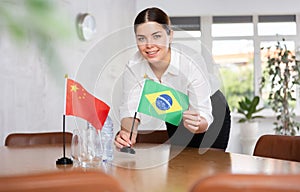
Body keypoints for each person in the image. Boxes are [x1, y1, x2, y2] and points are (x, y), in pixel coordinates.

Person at [114, 7, 231, 151]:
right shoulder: (134, 66)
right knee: (179, 163)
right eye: (141, 38)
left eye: (156, 36)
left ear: (170, 36)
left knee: (209, 163)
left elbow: (203, 114)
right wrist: (127, 132)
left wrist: (196, 124)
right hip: (175, 110)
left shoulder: (190, 61)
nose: (149, 45)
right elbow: (129, 109)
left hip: (210, 109)